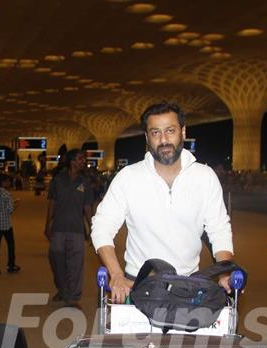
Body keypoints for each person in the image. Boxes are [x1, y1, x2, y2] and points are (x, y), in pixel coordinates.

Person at [91, 102, 234, 304]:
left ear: (183, 132)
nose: (164, 140)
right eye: (155, 132)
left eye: (170, 131)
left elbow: (219, 230)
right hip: (138, 285)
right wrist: (116, 274)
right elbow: (101, 226)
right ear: (147, 138)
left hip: (187, 287)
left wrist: (224, 273)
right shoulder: (129, 177)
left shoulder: (205, 177)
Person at [45, 149, 93, 309]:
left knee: (75, 265)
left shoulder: (84, 182)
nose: (82, 161)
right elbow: (52, 203)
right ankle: (62, 290)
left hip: (77, 230)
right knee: (56, 261)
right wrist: (47, 225)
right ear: (72, 161)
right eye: (80, 159)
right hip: (58, 228)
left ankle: (73, 297)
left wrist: (92, 229)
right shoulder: (58, 180)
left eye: (83, 159)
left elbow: (87, 208)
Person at [0, 174, 20, 276]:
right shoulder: (7, 194)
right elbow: (10, 210)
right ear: (3, 182)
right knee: (10, 245)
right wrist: (16, 204)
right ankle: (11, 265)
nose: (9, 183)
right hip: (6, 225)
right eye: (8, 181)